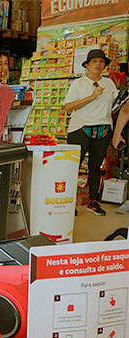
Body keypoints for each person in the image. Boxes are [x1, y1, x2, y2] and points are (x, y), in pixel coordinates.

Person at [64, 49, 117, 216]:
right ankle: (67, 202)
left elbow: (117, 104)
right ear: (87, 65)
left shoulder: (109, 84)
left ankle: (93, 201)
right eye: (94, 61)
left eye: (101, 61)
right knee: (73, 167)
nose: (98, 64)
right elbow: (68, 107)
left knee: (95, 167)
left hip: (103, 129)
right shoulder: (79, 84)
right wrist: (92, 96)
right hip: (80, 128)